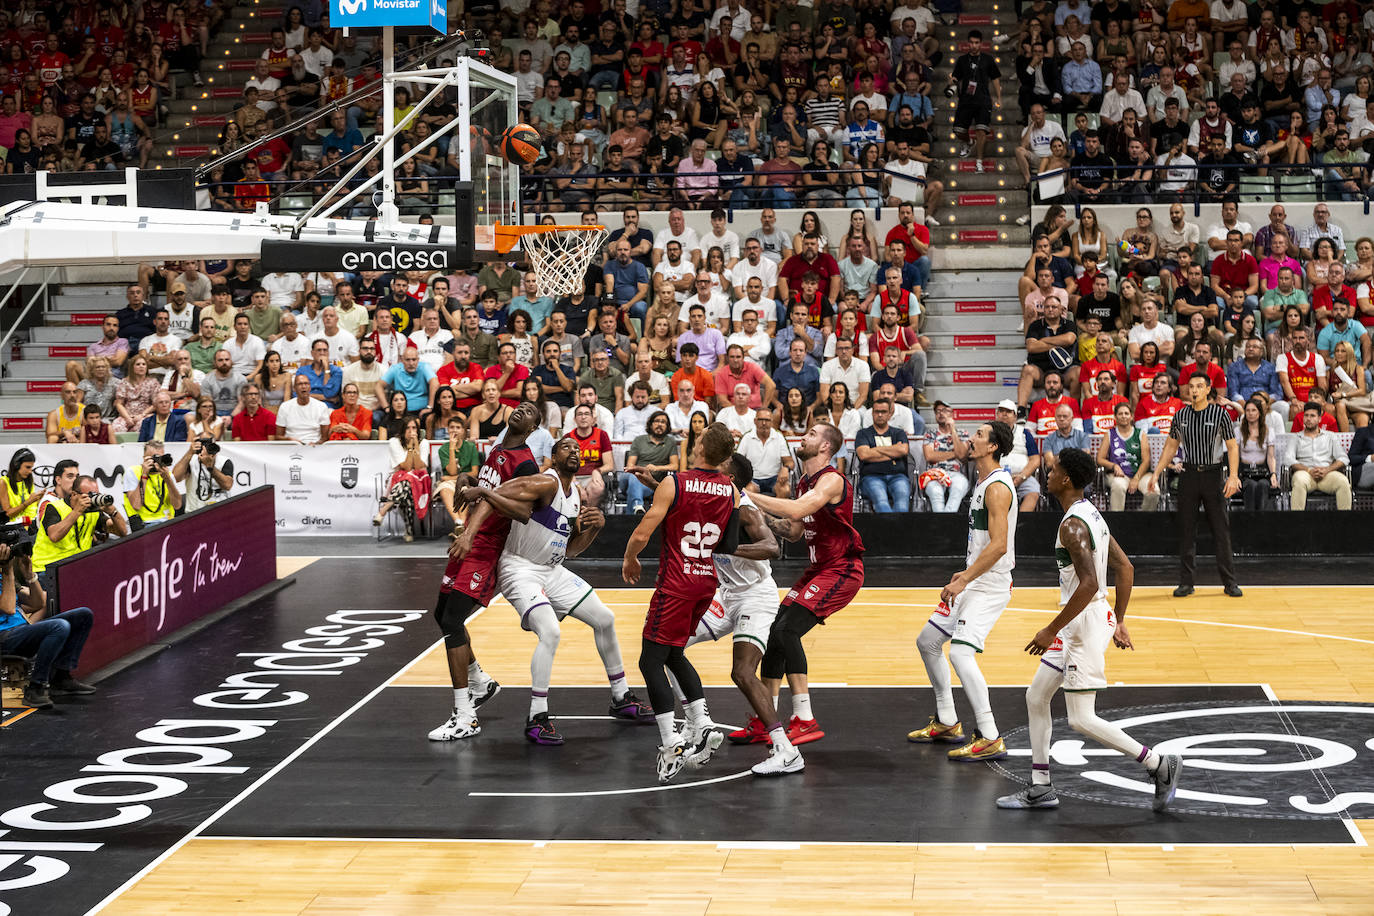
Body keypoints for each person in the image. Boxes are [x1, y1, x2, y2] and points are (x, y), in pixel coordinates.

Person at [996, 448, 1182, 812]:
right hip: (1086, 620)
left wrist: (1051, 628)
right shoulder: (1092, 515)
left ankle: (1159, 765)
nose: (1048, 475)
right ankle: (1041, 786)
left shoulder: (1072, 525)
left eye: (1052, 471)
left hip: (1080, 624)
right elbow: (1126, 568)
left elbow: (1088, 585)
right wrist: (1121, 619)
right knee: (1036, 698)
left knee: (1082, 719)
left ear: (1066, 479)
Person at [457, 437, 653, 745]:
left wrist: (594, 529)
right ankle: (537, 716)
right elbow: (496, 496)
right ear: (553, 455)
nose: (574, 452)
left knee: (605, 618)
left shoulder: (575, 494)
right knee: (550, 632)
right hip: (519, 568)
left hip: (552, 570)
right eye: (566, 448)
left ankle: (621, 697)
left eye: (577, 449)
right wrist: (479, 495)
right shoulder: (543, 483)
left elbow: (572, 550)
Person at [739, 423, 866, 766]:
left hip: (842, 570)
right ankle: (767, 721)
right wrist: (761, 517)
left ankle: (804, 718)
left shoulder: (831, 479)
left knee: (786, 631)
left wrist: (745, 495)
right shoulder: (804, 482)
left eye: (811, 434)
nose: (803, 437)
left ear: (826, 446)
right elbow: (793, 530)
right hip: (818, 570)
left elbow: (797, 510)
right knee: (773, 634)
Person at [622, 423, 737, 782]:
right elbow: (728, 544)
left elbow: (643, 530)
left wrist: (629, 558)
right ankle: (701, 723)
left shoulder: (676, 482)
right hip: (705, 582)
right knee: (673, 654)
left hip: (676, 583)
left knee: (649, 660)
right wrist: (659, 488)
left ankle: (670, 742)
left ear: (700, 449)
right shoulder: (730, 489)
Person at [430, 402, 543, 742]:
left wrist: (485, 496)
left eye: (531, 412)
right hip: (468, 538)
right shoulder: (497, 447)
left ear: (534, 428)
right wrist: (472, 480)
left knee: (452, 621)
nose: (522, 410)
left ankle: (465, 716)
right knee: (442, 614)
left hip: (485, 547)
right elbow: (489, 487)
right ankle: (480, 681)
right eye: (521, 405)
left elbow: (523, 510)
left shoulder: (525, 461)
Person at [910, 420, 1017, 759]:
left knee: (960, 653)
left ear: (993, 447)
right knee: (928, 641)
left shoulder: (998, 487)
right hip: (974, 578)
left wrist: (966, 578)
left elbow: (999, 545)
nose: (973, 438)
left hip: (990, 585)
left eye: (981, 435)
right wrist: (966, 573)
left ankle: (989, 734)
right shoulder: (982, 480)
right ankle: (947, 721)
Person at [1151, 371, 1243, 598]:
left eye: (1199, 386)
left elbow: (1232, 447)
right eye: (1191, 386)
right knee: (1186, 530)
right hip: (1189, 474)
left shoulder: (1220, 414)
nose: (1194, 390)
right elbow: (1171, 447)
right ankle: (1186, 582)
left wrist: (1233, 476)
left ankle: (1230, 582)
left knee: (1220, 530)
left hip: (1213, 475)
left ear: (1208, 388)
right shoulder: (1180, 415)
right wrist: (1156, 473)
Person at [0, 542, 97, 710]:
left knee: (83, 615)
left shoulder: (3, 576)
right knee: (59, 627)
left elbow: (38, 603)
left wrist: (29, 575)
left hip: (20, 630)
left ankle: (61, 678)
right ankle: (36, 688)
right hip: (4, 637)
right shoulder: (5, 574)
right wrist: (8, 571)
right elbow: (8, 608)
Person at [1286, 402, 1353, 510]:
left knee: (1343, 482)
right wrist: (1308, 470)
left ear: (1319, 419)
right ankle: (1296, 523)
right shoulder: (1296, 437)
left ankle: (1344, 523)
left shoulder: (1330, 436)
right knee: (1299, 481)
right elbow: (1288, 459)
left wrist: (1327, 469)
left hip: (1326, 474)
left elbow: (1343, 458)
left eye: (1312, 416)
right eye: (1306, 415)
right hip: (1305, 474)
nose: (1308, 419)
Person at [1098, 402, 1160, 510]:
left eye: (1126, 413)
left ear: (1131, 416)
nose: (1123, 416)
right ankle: (1117, 522)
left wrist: (1136, 478)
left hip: (1140, 475)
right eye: (1120, 413)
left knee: (1153, 491)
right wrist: (1114, 466)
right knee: (1118, 486)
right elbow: (1099, 459)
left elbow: (1146, 461)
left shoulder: (1140, 434)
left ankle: (1146, 523)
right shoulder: (1110, 434)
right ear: (1115, 417)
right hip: (1118, 475)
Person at [853, 400, 910, 512]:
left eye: (883, 412)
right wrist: (893, 452)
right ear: (872, 413)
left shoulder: (899, 433)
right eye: (877, 412)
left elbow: (903, 450)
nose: (880, 415)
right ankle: (890, 529)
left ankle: (897, 529)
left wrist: (875, 450)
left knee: (902, 503)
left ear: (889, 414)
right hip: (871, 477)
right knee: (881, 502)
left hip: (898, 476)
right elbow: (864, 455)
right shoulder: (863, 433)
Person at [922, 401, 971, 511]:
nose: (940, 414)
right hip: (934, 474)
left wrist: (952, 429)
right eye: (937, 411)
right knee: (936, 492)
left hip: (956, 474)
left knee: (958, 489)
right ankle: (943, 524)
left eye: (944, 410)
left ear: (952, 414)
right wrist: (954, 454)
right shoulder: (930, 434)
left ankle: (944, 524)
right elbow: (930, 456)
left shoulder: (963, 434)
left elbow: (962, 455)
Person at [125, 440, 183, 527]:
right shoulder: (133, 472)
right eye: (153, 458)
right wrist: (144, 475)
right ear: (144, 457)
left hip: (168, 521)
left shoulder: (166, 474)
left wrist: (167, 479)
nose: (156, 462)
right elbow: (136, 505)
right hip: (145, 523)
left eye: (159, 458)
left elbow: (177, 505)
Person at [172, 435, 233, 512]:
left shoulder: (224, 461)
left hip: (220, 510)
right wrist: (190, 452)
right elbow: (175, 477)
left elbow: (227, 485)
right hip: (194, 511)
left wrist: (210, 467)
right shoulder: (191, 460)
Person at [275, 373, 332, 445]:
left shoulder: (321, 406)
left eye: (306, 384)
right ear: (294, 388)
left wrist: (317, 444)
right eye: (300, 384)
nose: (303, 386)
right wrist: (289, 440)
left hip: (314, 447)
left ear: (310, 387)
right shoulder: (285, 406)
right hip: (291, 446)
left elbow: (325, 437)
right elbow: (278, 436)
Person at [2, 449, 43, 527]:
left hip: (32, 524)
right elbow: (8, 514)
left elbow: (31, 508)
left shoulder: (28, 480)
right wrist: (29, 501)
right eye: (27, 467)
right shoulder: (3, 482)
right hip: (15, 528)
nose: (30, 471)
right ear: (16, 464)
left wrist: (39, 499)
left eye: (31, 467)